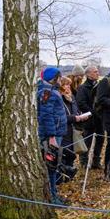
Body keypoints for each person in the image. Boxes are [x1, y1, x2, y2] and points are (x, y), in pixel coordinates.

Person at [37, 67, 68, 204]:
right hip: (52, 135)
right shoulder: (46, 93)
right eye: (59, 77)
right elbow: (46, 116)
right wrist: (51, 136)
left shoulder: (52, 91)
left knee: (54, 165)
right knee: (50, 165)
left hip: (57, 133)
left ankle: (54, 193)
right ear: (54, 78)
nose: (61, 80)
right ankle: (51, 197)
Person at [57, 76, 87, 182]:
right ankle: (59, 178)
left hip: (72, 129)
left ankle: (68, 177)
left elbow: (75, 110)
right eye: (65, 85)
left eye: (69, 85)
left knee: (71, 154)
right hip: (62, 130)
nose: (68, 87)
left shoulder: (71, 97)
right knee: (62, 154)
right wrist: (75, 118)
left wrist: (81, 116)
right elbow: (61, 117)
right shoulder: (58, 99)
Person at [76, 65, 104, 169]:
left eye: (97, 71)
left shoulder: (100, 86)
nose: (97, 73)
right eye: (95, 72)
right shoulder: (83, 88)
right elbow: (81, 103)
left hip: (100, 120)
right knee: (87, 142)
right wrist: (93, 112)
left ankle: (96, 161)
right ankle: (84, 162)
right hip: (88, 120)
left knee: (100, 140)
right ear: (88, 74)